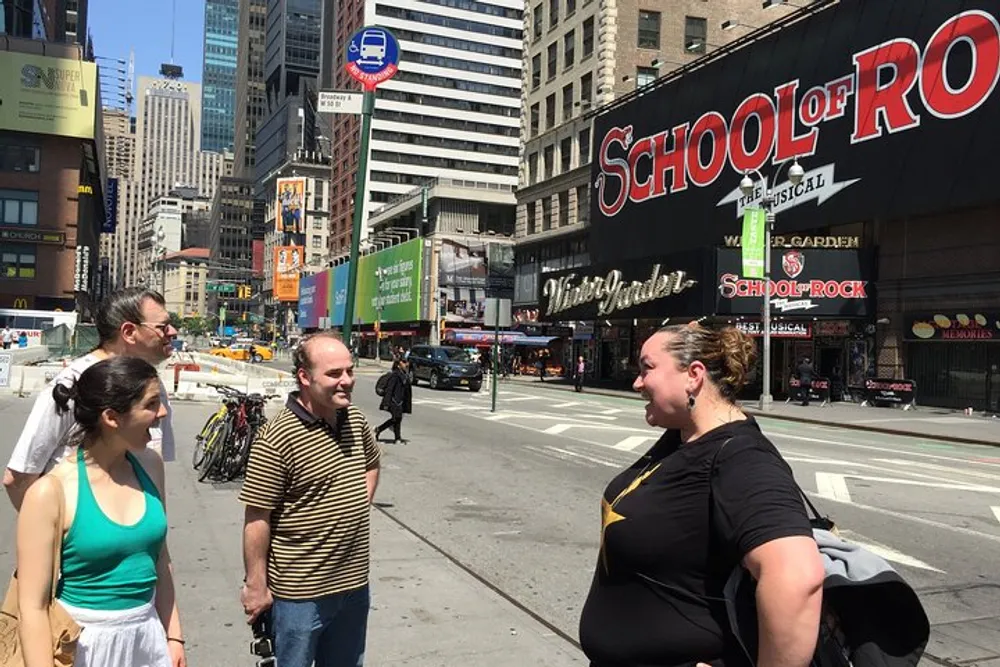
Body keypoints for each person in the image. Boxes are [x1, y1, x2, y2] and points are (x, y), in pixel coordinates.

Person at [579, 323, 824, 667]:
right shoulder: (683, 436)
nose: (637, 382)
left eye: (647, 368)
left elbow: (798, 577)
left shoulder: (742, 457)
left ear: (693, 375)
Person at [16, 356, 185, 667]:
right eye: (151, 403)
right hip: (84, 645)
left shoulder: (150, 465)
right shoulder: (50, 492)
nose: (162, 413)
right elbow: (33, 608)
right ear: (112, 417)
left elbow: (161, 559)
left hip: (148, 640)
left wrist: (173, 637)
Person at [239, 332, 381, 667]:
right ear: (305, 377)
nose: (346, 381)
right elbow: (257, 517)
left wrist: (359, 502)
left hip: (353, 584)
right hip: (300, 594)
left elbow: (372, 464)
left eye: (349, 371)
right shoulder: (277, 437)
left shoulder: (355, 420)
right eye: (334, 374)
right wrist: (256, 586)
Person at [4, 288, 179, 510]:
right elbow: (18, 477)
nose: (172, 332)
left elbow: (154, 471)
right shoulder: (71, 385)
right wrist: (53, 536)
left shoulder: (154, 386)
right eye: (163, 327)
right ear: (129, 332)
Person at [375, 358, 412, 444]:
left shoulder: (405, 374)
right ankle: (396, 437)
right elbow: (390, 389)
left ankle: (381, 430)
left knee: (397, 419)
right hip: (394, 400)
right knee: (397, 418)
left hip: (400, 401)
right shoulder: (395, 375)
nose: (406, 364)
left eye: (407, 362)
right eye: (404, 362)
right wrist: (387, 402)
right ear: (399, 364)